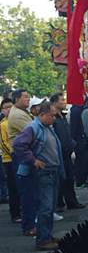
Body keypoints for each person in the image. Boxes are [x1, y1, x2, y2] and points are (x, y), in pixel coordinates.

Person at [13, 101, 65, 250]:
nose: (54, 118)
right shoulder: (33, 127)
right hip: (43, 173)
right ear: (42, 114)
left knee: (50, 206)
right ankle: (43, 239)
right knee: (46, 207)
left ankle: (47, 235)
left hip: (52, 171)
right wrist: (33, 160)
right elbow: (18, 145)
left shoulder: (47, 127)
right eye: (51, 115)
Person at [50, 92, 85, 210]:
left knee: (69, 178)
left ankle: (71, 202)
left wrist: (72, 143)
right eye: (61, 100)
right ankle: (61, 203)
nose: (64, 102)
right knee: (62, 179)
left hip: (67, 153)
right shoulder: (53, 118)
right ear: (54, 102)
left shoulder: (62, 116)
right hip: (59, 154)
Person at [8, 89, 34, 235]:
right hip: (21, 158)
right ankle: (29, 225)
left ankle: (31, 222)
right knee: (27, 191)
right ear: (17, 99)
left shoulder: (22, 112)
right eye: (25, 97)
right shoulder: (18, 115)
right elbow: (34, 131)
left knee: (29, 191)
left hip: (23, 157)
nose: (28, 99)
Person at [0, 98, 21, 221]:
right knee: (13, 187)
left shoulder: (15, 121)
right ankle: (15, 213)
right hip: (9, 159)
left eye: (10, 106)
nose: (9, 109)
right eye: (6, 107)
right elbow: (4, 143)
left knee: (20, 186)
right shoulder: (3, 124)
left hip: (19, 157)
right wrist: (14, 154)